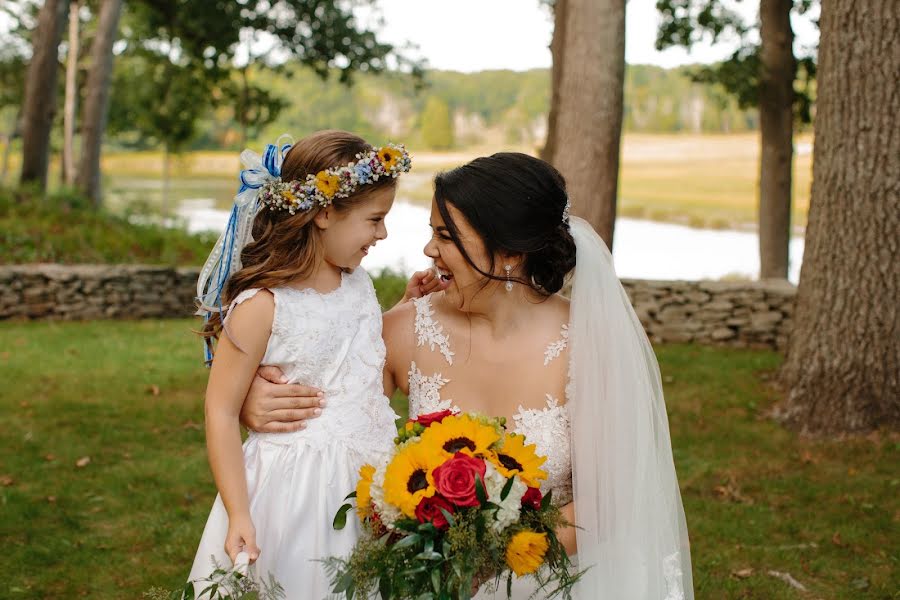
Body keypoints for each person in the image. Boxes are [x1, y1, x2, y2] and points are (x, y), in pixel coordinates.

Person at [243, 152, 694, 599]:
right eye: (431, 233)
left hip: (556, 574)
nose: (428, 250)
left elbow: (608, 501)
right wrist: (253, 401)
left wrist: (491, 561)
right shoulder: (404, 330)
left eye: (446, 236)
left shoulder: (588, 341)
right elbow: (330, 419)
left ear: (511, 251)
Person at [188, 130, 430, 598]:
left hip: (369, 476)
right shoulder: (262, 305)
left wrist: (404, 303)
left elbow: (348, 351)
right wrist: (239, 511)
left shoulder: (356, 282)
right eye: (375, 219)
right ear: (323, 213)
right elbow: (219, 410)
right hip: (298, 488)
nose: (383, 233)